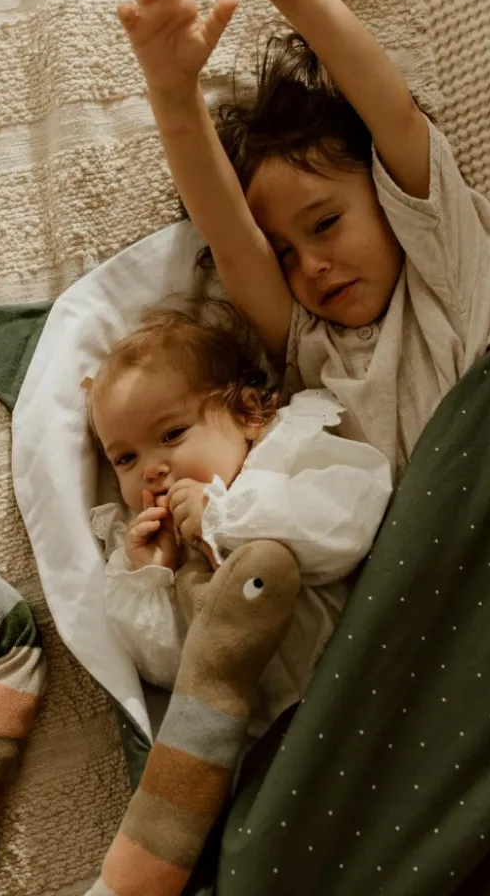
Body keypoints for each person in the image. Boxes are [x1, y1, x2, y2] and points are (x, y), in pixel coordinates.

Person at [117, 0, 490, 481]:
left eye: (325, 224)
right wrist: (172, 92)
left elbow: (395, 117)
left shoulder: (447, 269)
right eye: (283, 254)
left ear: (386, 192)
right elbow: (231, 237)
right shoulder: (310, 347)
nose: (310, 265)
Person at [85, 309, 392, 726]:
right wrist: (153, 578)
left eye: (172, 434)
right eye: (125, 458)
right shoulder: (149, 548)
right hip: (278, 735)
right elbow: (170, 671)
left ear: (247, 414)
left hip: (365, 674)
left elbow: (349, 528)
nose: (150, 469)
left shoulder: (284, 453)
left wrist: (224, 517)